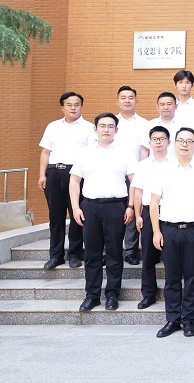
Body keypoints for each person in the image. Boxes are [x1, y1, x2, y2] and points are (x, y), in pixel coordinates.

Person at [69, 113, 136, 312]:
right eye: (102, 126)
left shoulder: (125, 152)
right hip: (90, 206)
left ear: (116, 130)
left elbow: (134, 182)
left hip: (116, 206)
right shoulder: (85, 153)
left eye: (110, 126)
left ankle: (112, 294)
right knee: (92, 253)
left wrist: (131, 206)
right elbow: (74, 181)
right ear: (95, 129)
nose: (106, 129)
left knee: (115, 252)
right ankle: (92, 295)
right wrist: (75, 207)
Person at [150, 127, 194, 338]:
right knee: (172, 276)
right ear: (174, 144)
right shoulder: (163, 170)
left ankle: (188, 319)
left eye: (189, 141)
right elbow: (154, 203)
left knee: (193, 276)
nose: (184, 144)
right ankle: (172, 319)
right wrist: (156, 231)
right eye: (181, 140)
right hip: (169, 229)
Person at [39, 92, 94, 269]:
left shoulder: (89, 128)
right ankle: (56, 255)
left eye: (77, 104)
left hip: (77, 174)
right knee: (56, 216)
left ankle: (74, 254)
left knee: (77, 214)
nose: (73, 108)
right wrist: (42, 175)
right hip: (54, 172)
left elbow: (92, 154)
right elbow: (45, 152)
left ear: (81, 106)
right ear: (62, 107)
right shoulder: (53, 126)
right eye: (69, 105)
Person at [131, 126, 171, 310]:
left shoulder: (176, 163)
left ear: (168, 142)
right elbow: (138, 192)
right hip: (148, 211)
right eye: (155, 139)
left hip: (171, 211)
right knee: (148, 255)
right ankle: (148, 293)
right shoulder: (143, 165)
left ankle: (172, 293)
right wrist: (138, 215)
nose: (158, 142)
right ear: (149, 143)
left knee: (171, 255)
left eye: (162, 139)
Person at [115, 86, 147, 266]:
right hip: (114, 174)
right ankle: (111, 249)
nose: (127, 100)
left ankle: (130, 250)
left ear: (136, 101)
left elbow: (145, 150)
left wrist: (142, 172)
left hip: (135, 174)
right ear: (117, 101)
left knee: (133, 210)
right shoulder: (111, 122)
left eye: (131, 97)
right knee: (114, 213)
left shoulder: (144, 124)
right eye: (123, 97)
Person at [139, 92, 181, 159]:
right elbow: (145, 149)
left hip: (177, 164)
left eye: (169, 104)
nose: (165, 107)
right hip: (154, 164)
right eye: (162, 104)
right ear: (157, 107)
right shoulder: (149, 125)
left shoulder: (183, 125)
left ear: (176, 106)